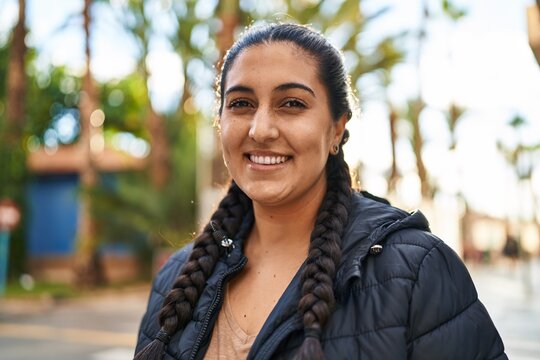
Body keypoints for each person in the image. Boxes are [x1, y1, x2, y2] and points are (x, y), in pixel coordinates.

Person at [134, 23, 507, 360]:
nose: (261, 129)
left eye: (292, 104)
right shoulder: (176, 279)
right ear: (221, 122)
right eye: (242, 104)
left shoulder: (417, 271)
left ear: (336, 129)